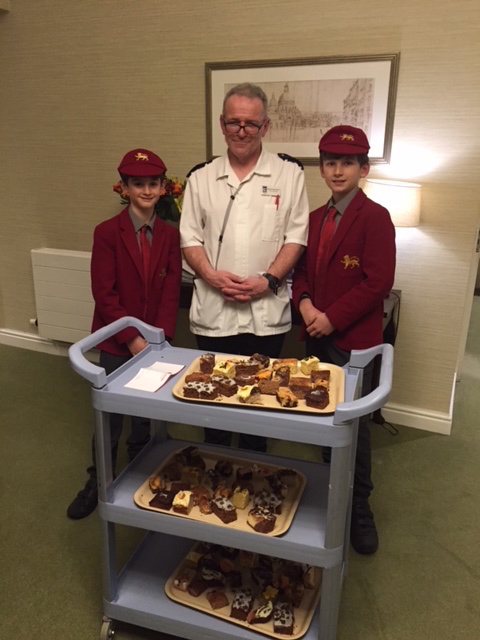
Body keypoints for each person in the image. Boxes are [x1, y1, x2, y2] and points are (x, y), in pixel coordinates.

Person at [179, 82, 309, 452]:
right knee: (213, 396)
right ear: (222, 124)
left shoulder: (289, 175)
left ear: (265, 127)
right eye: (234, 122)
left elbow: (296, 237)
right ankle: (216, 468)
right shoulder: (201, 177)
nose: (241, 130)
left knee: (260, 399)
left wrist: (268, 280)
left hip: (264, 310)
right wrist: (211, 275)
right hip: (214, 310)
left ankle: (254, 470)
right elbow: (189, 240)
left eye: (250, 124)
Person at [292, 125, 396, 554]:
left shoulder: (375, 217)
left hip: (354, 342)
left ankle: (359, 508)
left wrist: (332, 318)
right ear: (322, 169)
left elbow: (378, 283)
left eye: (347, 163)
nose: (338, 171)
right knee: (320, 415)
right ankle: (330, 489)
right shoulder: (314, 219)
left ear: (363, 168)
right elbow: (300, 274)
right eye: (330, 162)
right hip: (316, 336)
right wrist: (306, 306)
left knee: (354, 427)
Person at [67, 148, 182, 519]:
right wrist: (132, 338)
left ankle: (142, 465)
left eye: (153, 184)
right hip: (118, 339)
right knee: (110, 415)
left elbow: (171, 289)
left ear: (163, 188)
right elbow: (105, 293)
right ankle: (98, 478)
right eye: (138, 184)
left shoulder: (168, 235)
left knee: (146, 409)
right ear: (125, 188)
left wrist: (158, 339)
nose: (146, 191)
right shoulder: (106, 233)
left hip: (154, 344)